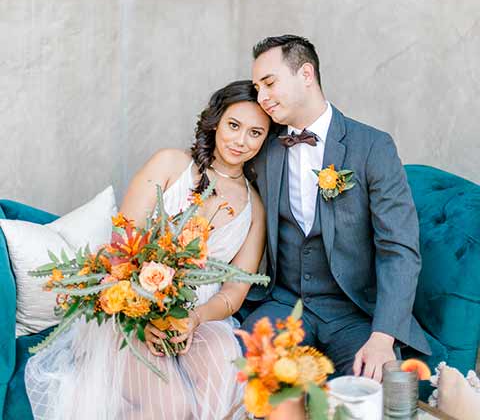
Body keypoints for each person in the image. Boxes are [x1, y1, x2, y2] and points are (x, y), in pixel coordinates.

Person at [25, 80, 270, 420]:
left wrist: (195, 318)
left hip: (202, 318)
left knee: (220, 376)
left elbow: (236, 290)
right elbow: (123, 242)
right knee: (174, 407)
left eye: (255, 133)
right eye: (233, 125)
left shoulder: (254, 208)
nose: (241, 140)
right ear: (216, 121)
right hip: (137, 306)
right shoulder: (170, 165)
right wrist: (148, 314)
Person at [241, 34, 430, 382]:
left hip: (353, 313)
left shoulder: (372, 146)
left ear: (307, 75)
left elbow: (398, 248)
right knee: (251, 373)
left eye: (269, 83)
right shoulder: (263, 150)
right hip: (284, 305)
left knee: (373, 388)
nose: (262, 98)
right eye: (257, 88)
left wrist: (382, 336)